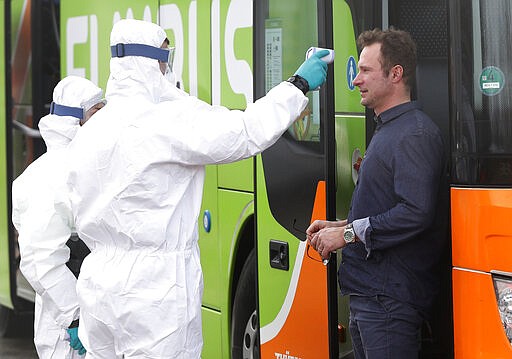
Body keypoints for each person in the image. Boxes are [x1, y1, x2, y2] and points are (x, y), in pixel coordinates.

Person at [64, 18, 329, 358]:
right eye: (163, 58)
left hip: (99, 287)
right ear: (148, 62)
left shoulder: (91, 131)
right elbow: (245, 131)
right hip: (154, 292)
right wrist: (298, 84)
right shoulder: (166, 121)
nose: (166, 68)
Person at [307, 28, 447, 358]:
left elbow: (415, 212)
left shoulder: (413, 134)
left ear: (395, 74)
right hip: (373, 298)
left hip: (388, 302)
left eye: (366, 70)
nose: (356, 79)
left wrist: (348, 235)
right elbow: (388, 206)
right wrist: (338, 226)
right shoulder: (392, 129)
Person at [12, 76, 106, 358]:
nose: (104, 119)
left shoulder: (85, 168)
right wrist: (74, 317)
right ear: (74, 120)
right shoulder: (50, 176)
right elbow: (41, 259)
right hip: (64, 328)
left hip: (90, 315)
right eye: (96, 112)